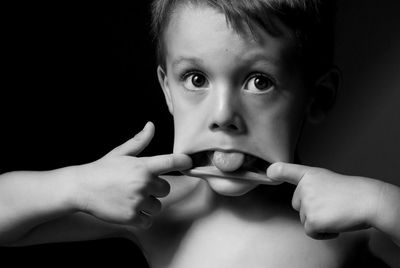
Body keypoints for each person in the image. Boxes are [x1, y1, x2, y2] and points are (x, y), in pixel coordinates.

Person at [1, 0, 399, 267]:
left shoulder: (351, 227)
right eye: (195, 78)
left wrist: (382, 204)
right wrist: (74, 186)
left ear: (319, 97)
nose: (223, 115)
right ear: (167, 90)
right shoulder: (159, 209)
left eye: (259, 82)